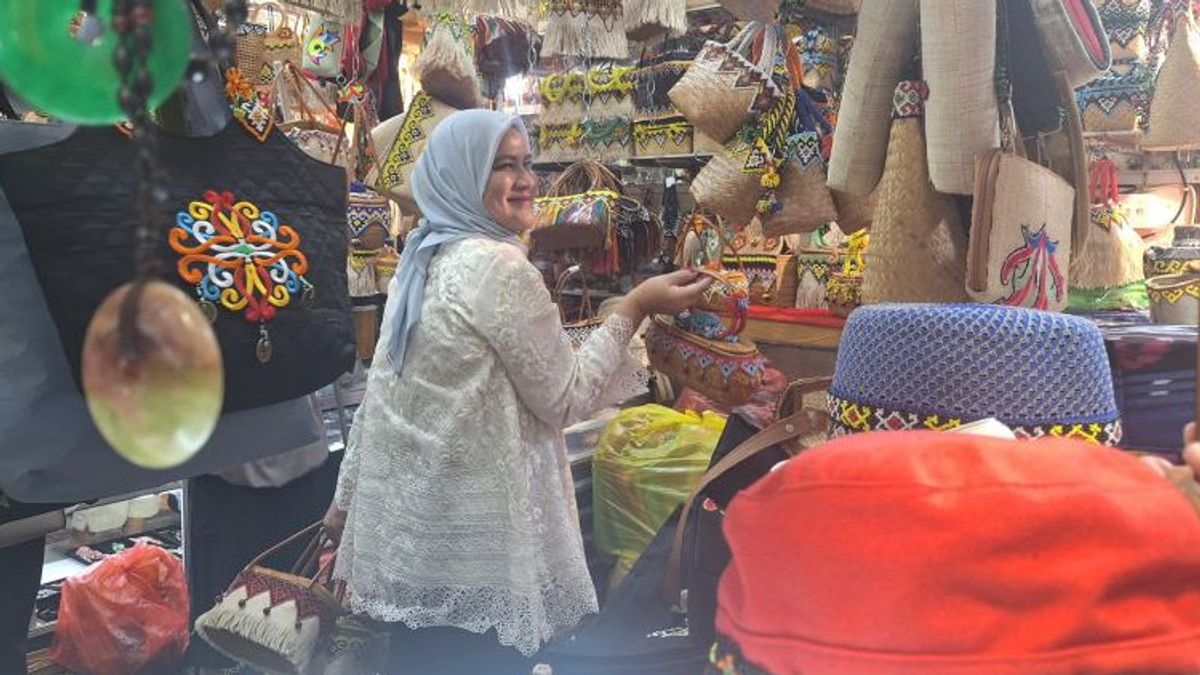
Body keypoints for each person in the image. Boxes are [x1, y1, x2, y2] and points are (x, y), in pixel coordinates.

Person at [322, 109, 710, 674]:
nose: (526, 179)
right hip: (474, 556)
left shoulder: (424, 259)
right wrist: (635, 307)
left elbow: (383, 395)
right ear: (462, 177)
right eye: (503, 166)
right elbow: (565, 399)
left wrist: (344, 499)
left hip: (411, 542)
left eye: (526, 163)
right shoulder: (497, 268)